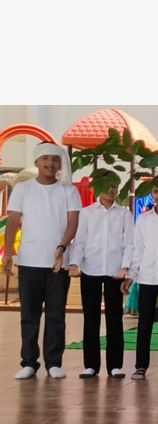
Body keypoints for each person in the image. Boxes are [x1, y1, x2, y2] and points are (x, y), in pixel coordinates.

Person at [4, 142, 81, 380]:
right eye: (45, 159)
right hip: (29, 261)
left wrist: (61, 248)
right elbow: (13, 222)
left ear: (60, 164)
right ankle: (28, 362)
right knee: (29, 314)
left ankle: (54, 363)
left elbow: (72, 224)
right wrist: (8, 254)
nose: (50, 164)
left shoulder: (68, 191)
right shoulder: (23, 189)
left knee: (56, 314)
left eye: (55, 159)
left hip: (58, 263)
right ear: (37, 162)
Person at [68, 184, 134, 379]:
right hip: (91, 269)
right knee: (91, 318)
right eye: (106, 186)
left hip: (115, 272)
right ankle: (91, 365)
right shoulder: (86, 213)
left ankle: (115, 365)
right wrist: (74, 263)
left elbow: (130, 243)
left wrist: (125, 267)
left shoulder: (125, 215)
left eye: (114, 186)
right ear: (96, 188)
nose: (110, 190)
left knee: (115, 318)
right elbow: (79, 241)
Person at [122, 176, 158, 381]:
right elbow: (138, 249)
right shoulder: (144, 219)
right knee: (144, 322)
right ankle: (141, 366)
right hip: (146, 276)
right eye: (156, 192)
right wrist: (131, 275)